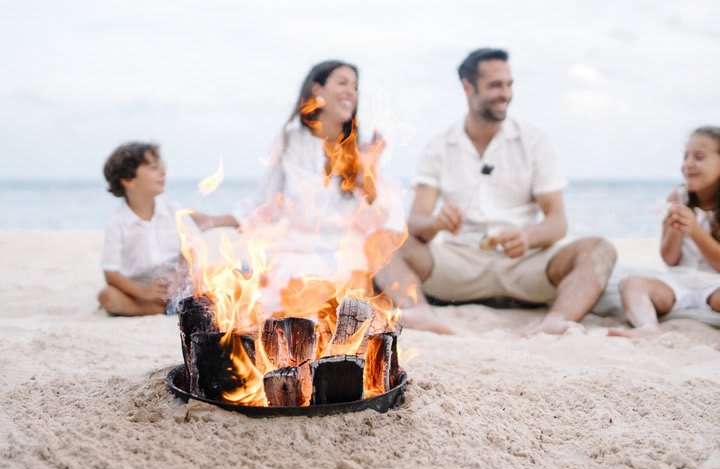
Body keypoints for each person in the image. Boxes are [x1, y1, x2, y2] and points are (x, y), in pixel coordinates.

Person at [375, 48, 617, 335]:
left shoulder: (534, 141)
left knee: (599, 249)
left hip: (524, 264)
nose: (506, 94)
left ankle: (556, 320)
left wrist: (528, 237)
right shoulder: (439, 146)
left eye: (509, 84)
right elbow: (416, 222)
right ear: (468, 87)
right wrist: (438, 222)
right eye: (495, 85)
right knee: (378, 239)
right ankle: (420, 312)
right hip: (459, 263)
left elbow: (557, 222)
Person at [231, 60, 448, 333]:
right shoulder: (291, 141)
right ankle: (390, 317)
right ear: (317, 89)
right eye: (342, 83)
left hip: (348, 247)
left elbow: (378, 213)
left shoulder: (361, 146)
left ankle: (419, 312)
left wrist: (369, 171)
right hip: (301, 248)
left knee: (375, 252)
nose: (351, 92)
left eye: (355, 87)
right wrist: (210, 220)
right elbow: (264, 203)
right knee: (295, 297)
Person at [98, 142, 238, 316]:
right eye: (153, 167)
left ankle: (175, 306)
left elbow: (192, 248)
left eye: (162, 166)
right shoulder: (117, 223)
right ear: (128, 180)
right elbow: (111, 273)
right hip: (141, 290)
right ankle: (157, 309)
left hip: (178, 283)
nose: (163, 172)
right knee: (107, 296)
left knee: (227, 274)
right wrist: (145, 292)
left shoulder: (174, 211)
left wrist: (177, 277)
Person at [609, 126, 720, 344]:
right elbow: (669, 258)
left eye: (699, 157)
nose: (688, 164)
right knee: (631, 283)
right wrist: (676, 231)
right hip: (678, 280)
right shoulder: (677, 197)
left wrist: (696, 231)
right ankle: (647, 326)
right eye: (686, 156)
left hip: (715, 283)